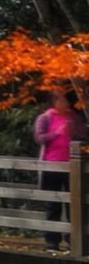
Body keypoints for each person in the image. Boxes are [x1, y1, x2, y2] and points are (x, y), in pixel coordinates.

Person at [35, 88, 88, 250]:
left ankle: (74, 239)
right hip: (52, 165)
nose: (65, 103)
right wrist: (56, 133)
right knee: (52, 204)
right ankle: (52, 240)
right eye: (61, 99)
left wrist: (76, 130)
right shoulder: (45, 118)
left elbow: (84, 135)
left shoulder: (73, 117)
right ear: (54, 102)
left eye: (65, 99)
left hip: (72, 165)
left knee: (74, 204)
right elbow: (39, 138)